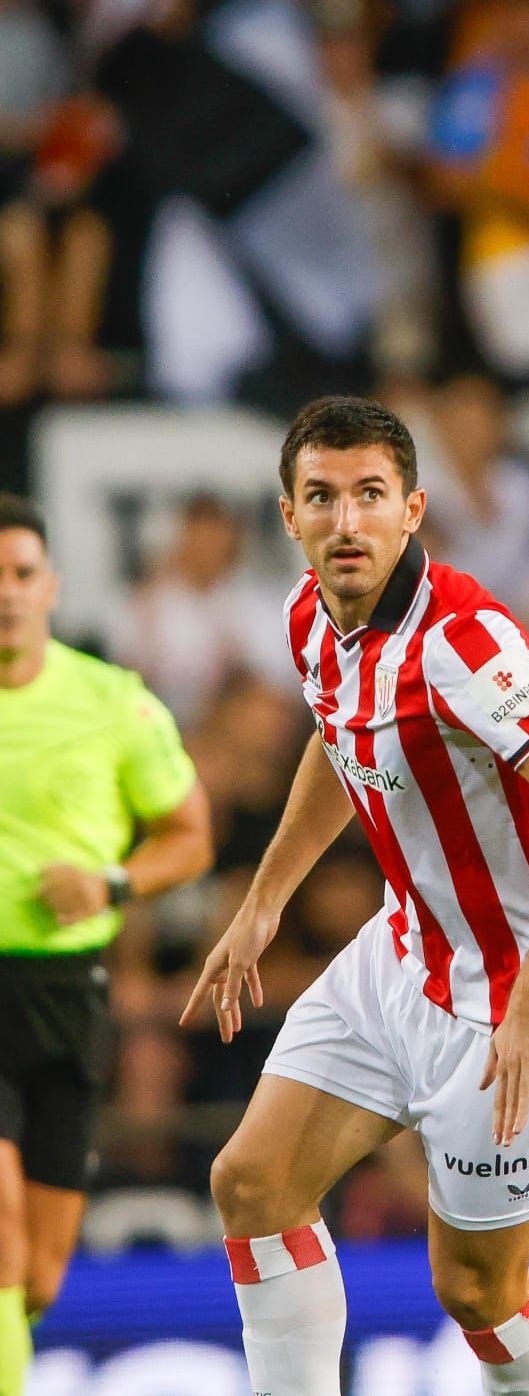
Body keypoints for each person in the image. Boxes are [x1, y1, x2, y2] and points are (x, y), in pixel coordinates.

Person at [183, 395, 529, 1396]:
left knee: (478, 1291)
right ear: (289, 515)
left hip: (525, 996)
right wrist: (265, 902)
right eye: (322, 497)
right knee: (252, 1185)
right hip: (403, 953)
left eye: (369, 496)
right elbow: (336, 735)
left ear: (413, 510)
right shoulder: (309, 613)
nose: (346, 522)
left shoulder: (462, 641)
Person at [0, 492, 212, 1395]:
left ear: (50, 584)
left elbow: (189, 836)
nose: (5, 592)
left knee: (39, 1275)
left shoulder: (113, 702)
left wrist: (111, 883)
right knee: (1, 1235)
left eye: (19, 573)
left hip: (66, 992)